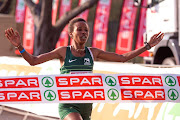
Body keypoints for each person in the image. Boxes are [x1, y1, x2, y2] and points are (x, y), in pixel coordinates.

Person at [5, 17, 164, 120]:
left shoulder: (93, 53)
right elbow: (33, 61)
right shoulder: (62, 52)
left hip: (86, 104)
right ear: (71, 34)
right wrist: (19, 46)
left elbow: (123, 58)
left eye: (86, 30)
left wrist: (148, 46)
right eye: (79, 29)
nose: (83, 32)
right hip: (68, 105)